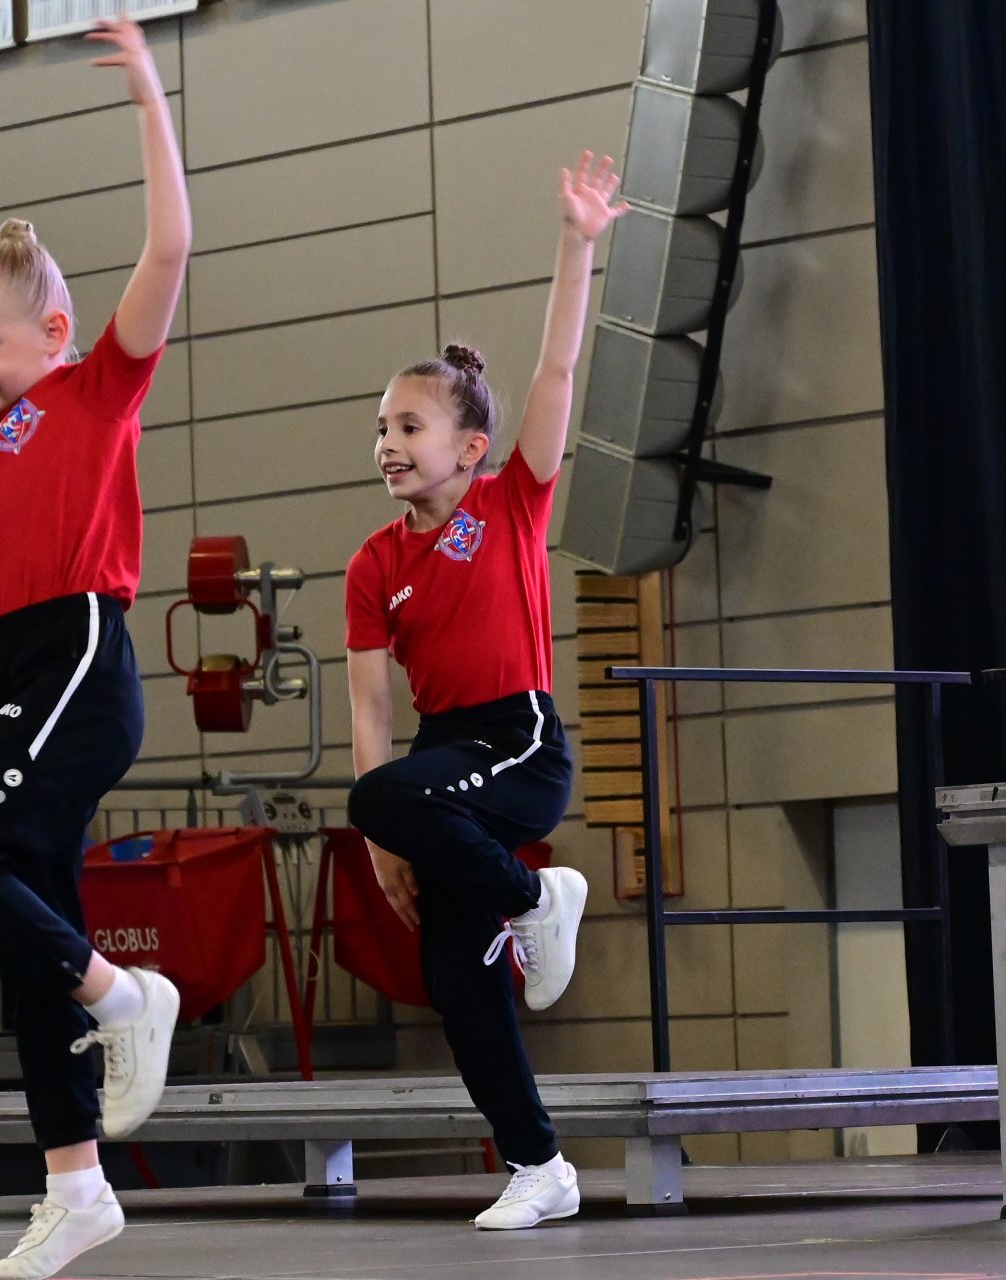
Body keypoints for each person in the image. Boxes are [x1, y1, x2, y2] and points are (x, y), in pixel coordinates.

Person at [0, 17, 189, 1280]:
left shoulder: (93, 390)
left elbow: (171, 245)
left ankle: (128, 996)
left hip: (79, 651)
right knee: (30, 924)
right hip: (5, 671)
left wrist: (149, 103)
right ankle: (79, 1184)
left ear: (53, 330)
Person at [343, 153, 629, 1231]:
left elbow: (555, 375)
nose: (388, 444)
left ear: (468, 444)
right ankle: (539, 1163)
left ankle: (532, 896)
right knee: (461, 986)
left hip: (519, 741)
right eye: (381, 428)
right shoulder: (374, 563)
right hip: (438, 764)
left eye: (408, 428)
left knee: (390, 803)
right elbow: (372, 715)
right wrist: (387, 841)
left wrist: (577, 242)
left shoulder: (510, 502)